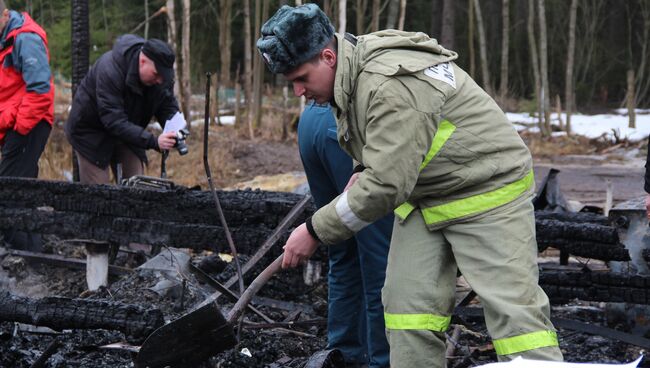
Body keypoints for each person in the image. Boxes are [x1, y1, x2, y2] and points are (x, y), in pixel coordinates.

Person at [257, 4, 564, 368]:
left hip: (486, 191)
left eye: (302, 78)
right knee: (407, 311)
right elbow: (378, 141)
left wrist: (314, 230)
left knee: (515, 318)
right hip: (425, 196)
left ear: (328, 56)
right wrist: (362, 165)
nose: (297, 91)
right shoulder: (351, 70)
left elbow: (386, 185)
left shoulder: (388, 84)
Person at [298, 101, 392, 368]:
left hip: (311, 123)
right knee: (379, 264)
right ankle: (382, 362)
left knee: (343, 251)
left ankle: (343, 356)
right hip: (344, 127)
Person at [65, 34, 181, 185]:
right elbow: (113, 121)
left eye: (163, 76)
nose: (159, 80)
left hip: (128, 129)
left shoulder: (160, 78)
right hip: (91, 133)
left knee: (137, 186)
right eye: (156, 74)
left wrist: (176, 128)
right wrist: (153, 141)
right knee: (99, 195)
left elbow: (167, 105)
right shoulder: (110, 70)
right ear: (142, 61)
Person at [0, 0, 54, 250]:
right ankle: (34, 252)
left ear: (5, 14)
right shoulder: (6, 39)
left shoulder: (25, 39)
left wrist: (19, 128)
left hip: (30, 125)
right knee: (21, 190)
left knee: (8, 193)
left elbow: (41, 90)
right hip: (16, 126)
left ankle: (23, 255)